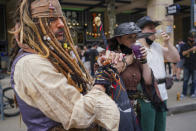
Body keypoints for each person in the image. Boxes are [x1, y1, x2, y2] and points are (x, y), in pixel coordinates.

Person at [9, 0, 130, 130]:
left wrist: (102, 69)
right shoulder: (30, 64)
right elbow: (80, 114)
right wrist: (101, 80)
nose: (61, 24)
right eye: (51, 19)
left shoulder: (48, 56)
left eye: (61, 18)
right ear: (32, 25)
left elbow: (81, 93)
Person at [108, 22, 167, 130]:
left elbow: (148, 81)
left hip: (137, 108)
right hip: (118, 107)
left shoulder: (137, 55)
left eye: (135, 37)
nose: (133, 40)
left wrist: (144, 60)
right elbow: (111, 73)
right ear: (119, 39)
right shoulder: (110, 55)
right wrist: (130, 58)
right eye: (129, 37)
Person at [136, 16, 180, 131]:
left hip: (162, 94)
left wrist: (168, 43)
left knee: (160, 127)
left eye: (154, 28)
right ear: (141, 31)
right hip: (146, 95)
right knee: (148, 128)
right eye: (150, 28)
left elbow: (176, 58)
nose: (154, 31)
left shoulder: (157, 46)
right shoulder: (135, 48)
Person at [180, 31, 196, 99]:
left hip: (195, 66)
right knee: (185, 80)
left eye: (194, 38)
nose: (192, 39)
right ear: (188, 38)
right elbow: (182, 54)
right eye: (191, 38)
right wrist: (191, 49)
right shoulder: (184, 45)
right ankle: (183, 93)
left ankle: (193, 93)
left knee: (194, 80)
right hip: (187, 66)